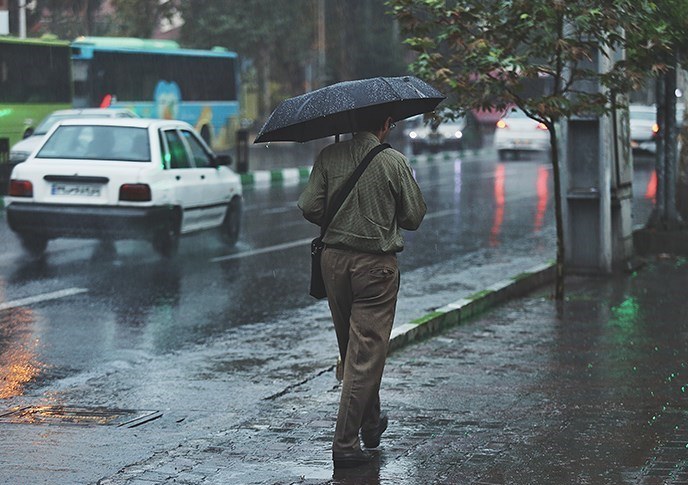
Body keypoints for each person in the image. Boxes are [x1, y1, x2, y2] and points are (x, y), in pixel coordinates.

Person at [298, 112, 427, 469]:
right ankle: (344, 442)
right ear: (385, 123)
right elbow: (414, 216)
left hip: (333, 265)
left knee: (354, 350)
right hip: (375, 269)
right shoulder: (393, 161)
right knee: (365, 354)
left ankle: (371, 423)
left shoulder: (329, 156)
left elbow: (309, 206)